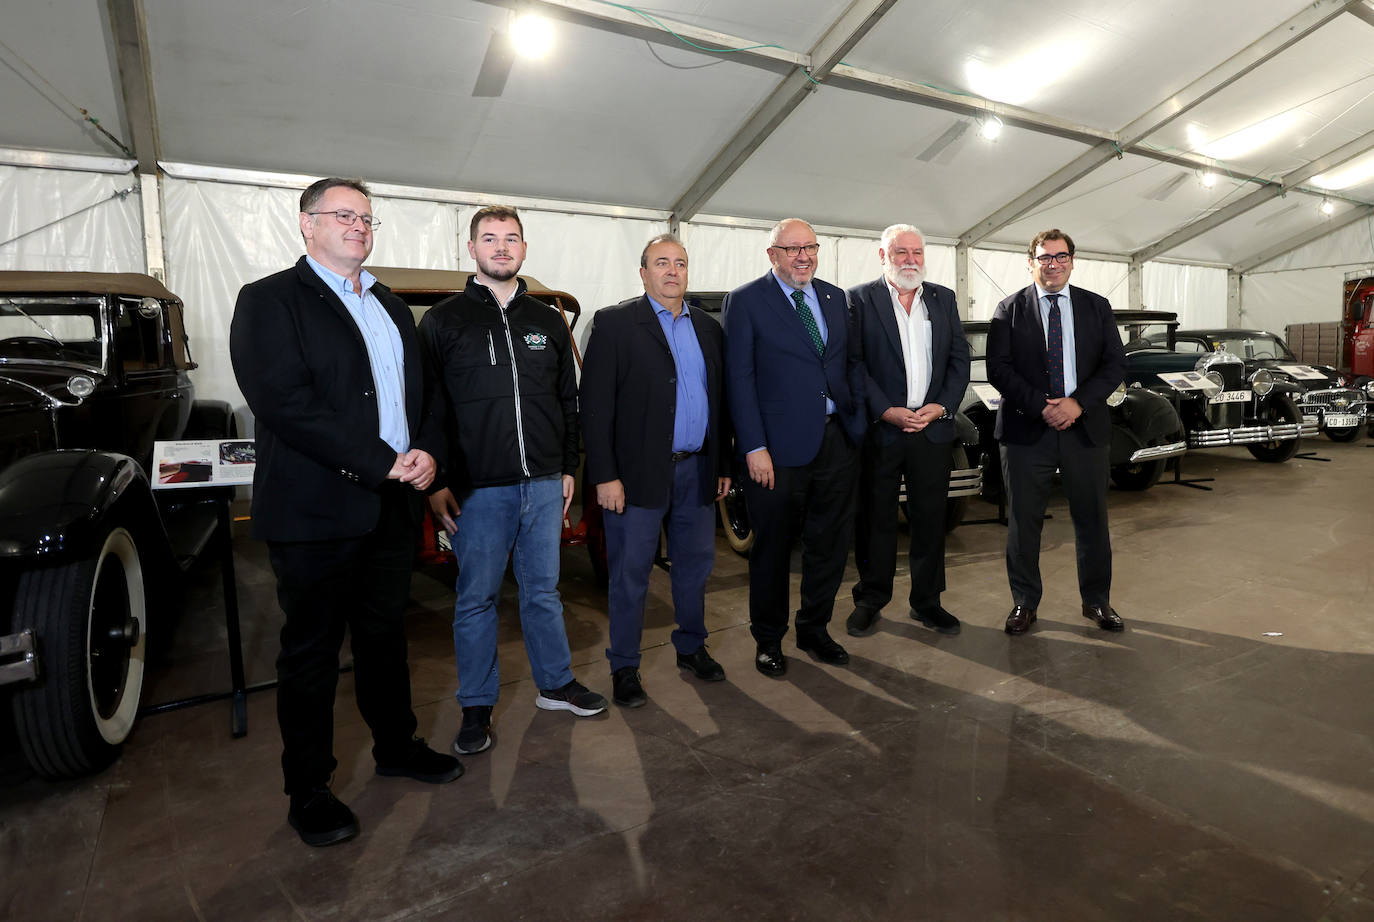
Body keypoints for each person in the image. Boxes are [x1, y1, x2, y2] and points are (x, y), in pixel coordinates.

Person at [229, 177, 463, 849]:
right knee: (310, 654)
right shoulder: (271, 300)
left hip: (391, 505)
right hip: (315, 510)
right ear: (307, 225)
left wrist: (428, 456)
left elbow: (427, 397)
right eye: (343, 215)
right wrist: (378, 460)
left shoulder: (388, 303)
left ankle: (397, 745)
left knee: (386, 637)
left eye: (366, 217)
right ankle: (309, 788)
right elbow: (283, 401)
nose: (358, 225)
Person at [420, 205, 607, 756]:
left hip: (545, 485)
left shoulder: (547, 321)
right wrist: (436, 481)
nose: (502, 247)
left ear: (524, 248)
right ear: (472, 248)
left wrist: (569, 467)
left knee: (544, 591)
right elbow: (427, 407)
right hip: (479, 490)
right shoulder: (445, 322)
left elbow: (567, 403)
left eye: (512, 238)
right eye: (490, 238)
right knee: (476, 598)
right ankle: (476, 706)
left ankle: (555, 684)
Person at [580, 234, 731, 708]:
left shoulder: (708, 328)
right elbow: (595, 407)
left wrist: (721, 462)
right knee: (630, 574)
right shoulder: (616, 325)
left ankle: (691, 646)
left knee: (695, 568)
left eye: (680, 263)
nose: (672, 271)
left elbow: (720, 402)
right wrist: (604, 475)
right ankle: (624, 665)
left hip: (697, 470)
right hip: (635, 476)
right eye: (661, 263)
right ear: (642, 272)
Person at [722, 218, 867, 678]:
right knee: (773, 549)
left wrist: (855, 421)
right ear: (773, 255)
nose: (803, 256)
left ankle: (814, 629)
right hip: (776, 452)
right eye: (792, 249)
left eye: (810, 247)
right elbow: (739, 380)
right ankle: (768, 640)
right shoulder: (746, 301)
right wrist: (754, 446)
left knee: (829, 545)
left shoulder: (834, 297)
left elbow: (849, 363)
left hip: (836, 441)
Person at [985, 229, 1127, 636]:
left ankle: (1097, 601)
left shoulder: (1096, 307)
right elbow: (999, 368)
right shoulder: (1008, 309)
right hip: (1027, 431)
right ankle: (1024, 603)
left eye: (1061, 257)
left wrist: (1077, 404)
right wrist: (1041, 406)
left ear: (1072, 261)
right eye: (1045, 257)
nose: (1053, 264)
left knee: (1092, 520)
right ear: (1031, 262)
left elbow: (1115, 365)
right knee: (1024, 523)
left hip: (1085, 430)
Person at [847, 224, 970, 638]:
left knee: (930, 519)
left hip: (932, 430)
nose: (910, 259)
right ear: (883, 256)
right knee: (876, 518)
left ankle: (928, 601)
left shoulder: (943, 298)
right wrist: (886, 410)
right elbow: (855, 365)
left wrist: (941, 407)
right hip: (883, 431)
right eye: (901, 252)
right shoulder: (859, 299)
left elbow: (958, 359)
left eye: (917, 252)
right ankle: (871, 598)